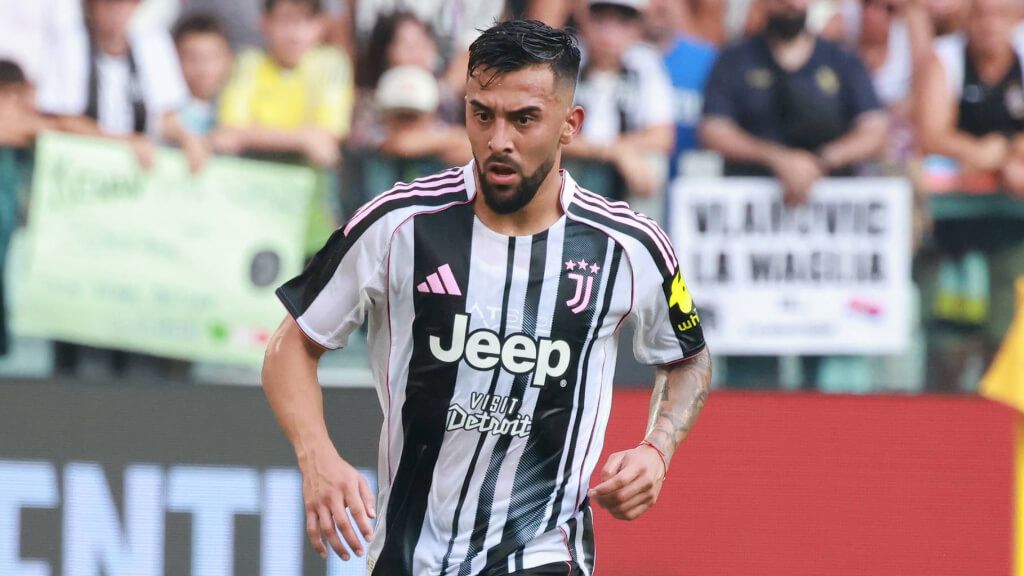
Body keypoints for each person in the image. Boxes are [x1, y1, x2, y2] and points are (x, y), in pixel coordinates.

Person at [262, 19, 712, 576]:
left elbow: (688, 357)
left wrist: (656, 450)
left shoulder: (628, 245)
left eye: (524, 119)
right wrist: (317, 458)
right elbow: (292, 343)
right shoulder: (399, 224)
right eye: (482, 114)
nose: (499, 140)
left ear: (570, 125)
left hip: (543, 552)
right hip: (410, 554)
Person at [700, 0, 888, 205]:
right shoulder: (734, 59)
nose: (791, 5)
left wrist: (821, 160)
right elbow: (714, 129)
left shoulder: (842, 59)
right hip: (748, 200)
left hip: (835, 203)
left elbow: (875, 130)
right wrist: (777, 159)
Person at [215, 0, 354, 256]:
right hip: (249, 213)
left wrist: (253, 134)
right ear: (264, 22)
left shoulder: (332, 63)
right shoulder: (247, 62)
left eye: (305, 21)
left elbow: (329, 137)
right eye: (285, 21)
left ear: (321, 25)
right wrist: (305, 139)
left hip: (313, 222)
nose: (294, 33)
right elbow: (229, 133)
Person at [37, 0, 190, 169]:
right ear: (91, 6)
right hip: (80, 164)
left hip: (136, 168)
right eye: (108, 3)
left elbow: (166, 117)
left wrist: (187, 140)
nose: (117, 10)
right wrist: (123, 142)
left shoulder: (153, 42)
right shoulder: (70, 41)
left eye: (126, 3)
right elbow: (62, 119)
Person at [565, 0, 676, 202]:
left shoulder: (645, 63)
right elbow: (549, 132)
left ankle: (640, 223)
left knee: (653, 164)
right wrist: (611, 152)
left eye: (622, 22)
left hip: (624, 173)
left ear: (637, 27)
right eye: (601, 20)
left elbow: (663, 137)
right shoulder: (566, 57)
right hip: (574, 167)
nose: (609, 33)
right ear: (584, 20)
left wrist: (620, 151)